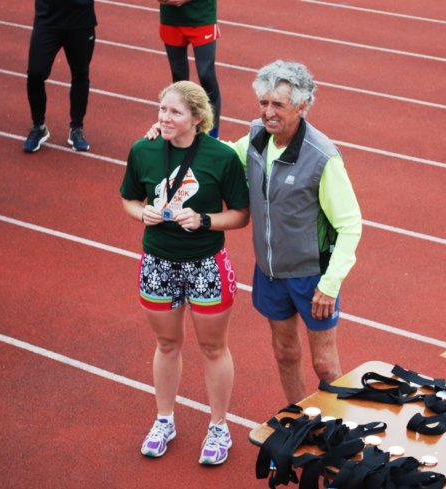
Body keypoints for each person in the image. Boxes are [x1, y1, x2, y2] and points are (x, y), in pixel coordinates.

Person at [146, 60, 363, 405]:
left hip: (312, 276)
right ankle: (299, 422)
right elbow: (220, 156)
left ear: (301, 106)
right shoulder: (258, 138)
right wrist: (171, 133)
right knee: (285, 353)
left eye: (278, 104)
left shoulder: (322, 157)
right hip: (270, 273)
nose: (268, 112)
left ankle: (339, 429)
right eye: (264, 103)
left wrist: (330, 284)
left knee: (325, 364)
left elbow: (350, 225)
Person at [121, 81, 249, 465]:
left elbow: (241, 215)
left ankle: (219, 426)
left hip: (205, 264)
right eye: (162, 109)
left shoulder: (221, 156)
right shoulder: (143, 149)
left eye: (175, 112)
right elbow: (129, 198)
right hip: (157, 262)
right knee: (166, 344)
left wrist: (205, 220)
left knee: (213, 347)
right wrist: (140, 213)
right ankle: (164, 420)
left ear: (197, 118)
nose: (165, 117)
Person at [23, 0, 96, 153]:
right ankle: (39, 127)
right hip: (47, 19)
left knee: (80, 73)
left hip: (80, 20)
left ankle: (76, 128)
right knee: (35, 74)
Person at [158, 0, 221, 138]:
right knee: (178, 77)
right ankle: (181, 127)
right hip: (171, 18)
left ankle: (213, 134)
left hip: (202, 16)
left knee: (206, 74)